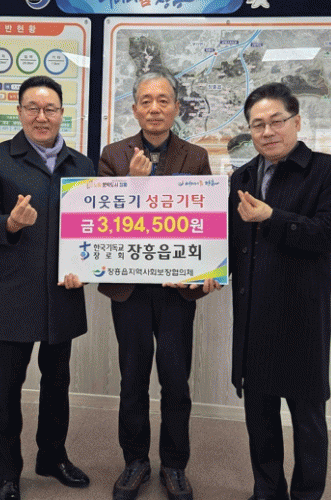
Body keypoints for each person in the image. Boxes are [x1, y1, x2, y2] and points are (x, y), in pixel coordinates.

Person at [0, 75, 94, 500]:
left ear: (62, 113)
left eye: (50, 109)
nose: (42, 117)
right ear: (20, 112)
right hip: (11, 294)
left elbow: (94, 232)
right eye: (33, 108)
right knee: (7, 390)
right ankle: (8, 472)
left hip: (63, 293)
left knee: (57, 384)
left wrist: (88, 267)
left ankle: (52, 457)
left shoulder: (82, 166)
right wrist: (9, 223)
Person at [98, 70, 221, 500]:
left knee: (175, 381)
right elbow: (99, 220)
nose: (155, 108)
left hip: (177, 290)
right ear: (134, 109)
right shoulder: (113, 155)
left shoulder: (195, 156)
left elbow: (206, 221)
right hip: (129, 289)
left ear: (176, 108)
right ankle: (135, 461)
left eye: (163, 100)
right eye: (146, 101)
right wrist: (132, 186)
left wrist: (211, 268)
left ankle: (174, 465)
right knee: (132, 380)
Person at [229, 82, 331, 500]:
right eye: (257, 124)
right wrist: (205, 270)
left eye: (276, 121)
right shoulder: (242, 177)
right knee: (259, 419)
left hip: (301, 317)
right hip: (253, 317)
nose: (267, 132)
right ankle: (267, 491)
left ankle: (305, 495)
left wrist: (273, 216)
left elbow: (330, 234)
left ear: (296, 122)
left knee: (308, 421)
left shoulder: (329, 171)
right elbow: (231, 244)